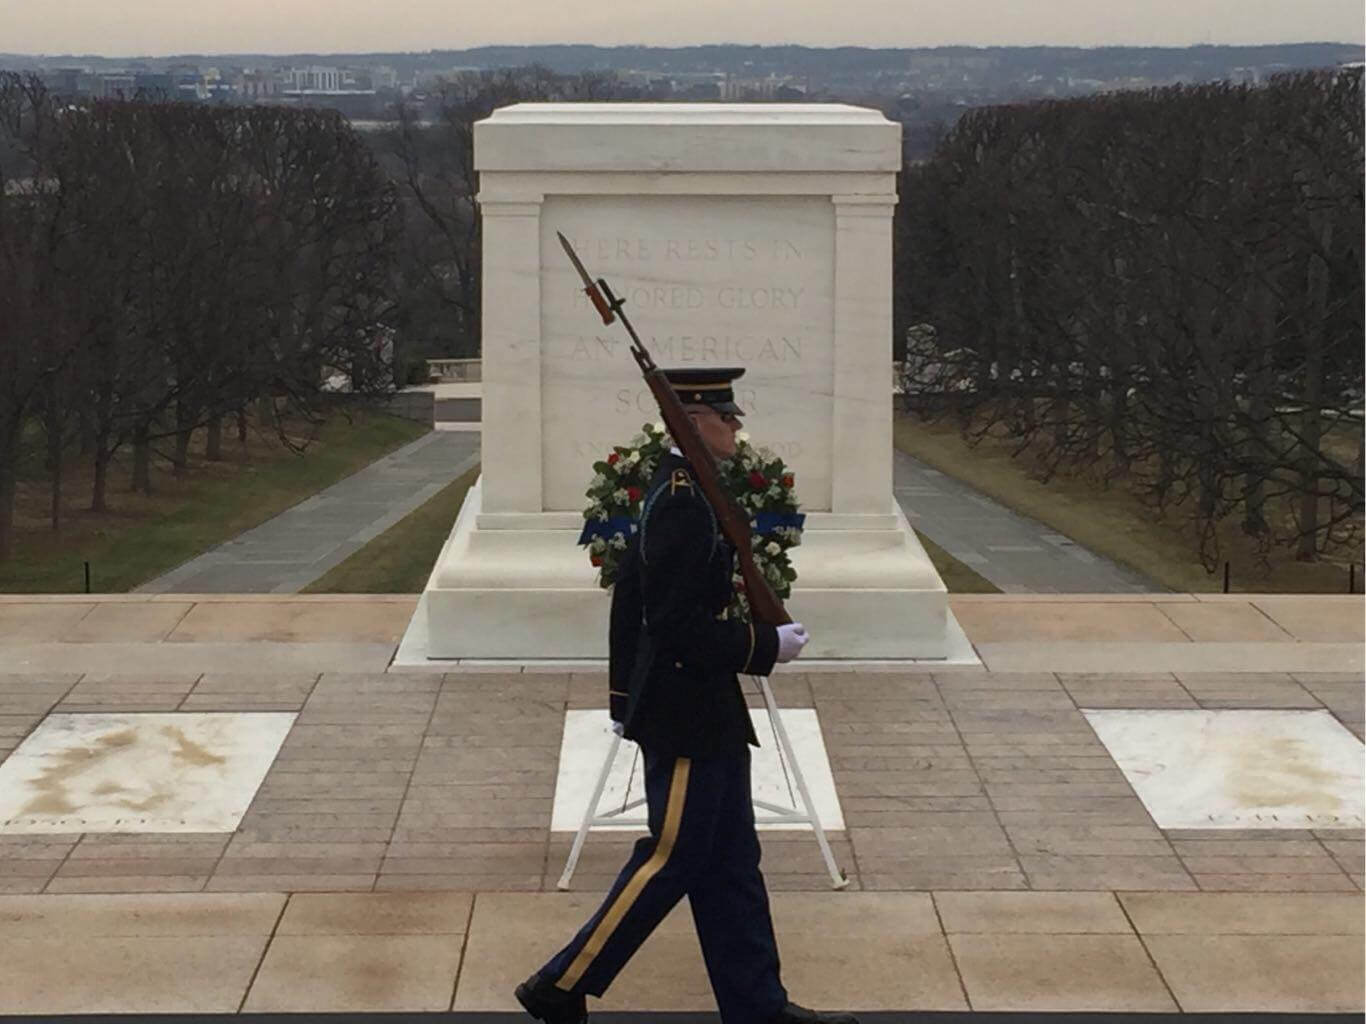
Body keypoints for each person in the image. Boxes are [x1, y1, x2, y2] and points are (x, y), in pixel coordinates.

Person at [516, 368, 856, 1024]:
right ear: (693, 421)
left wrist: (622, 697)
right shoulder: (680, 500)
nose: (735, 426)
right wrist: (763, 646)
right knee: (670, 859)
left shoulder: (691, 491)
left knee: (731, 865)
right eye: (724, 416)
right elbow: (671, 623)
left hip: (707, 710)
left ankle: (758, 1006)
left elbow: (632, 597)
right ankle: (561, 984)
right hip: (685, 715)